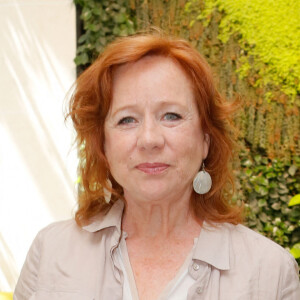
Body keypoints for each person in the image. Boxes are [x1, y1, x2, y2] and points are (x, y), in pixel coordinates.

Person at [14, 32, 300, 300]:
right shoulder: (51, 253)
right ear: (103, 145)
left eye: (172, 116)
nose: (149, 139)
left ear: (205, 140)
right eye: (127, 119)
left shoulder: (270, 273)